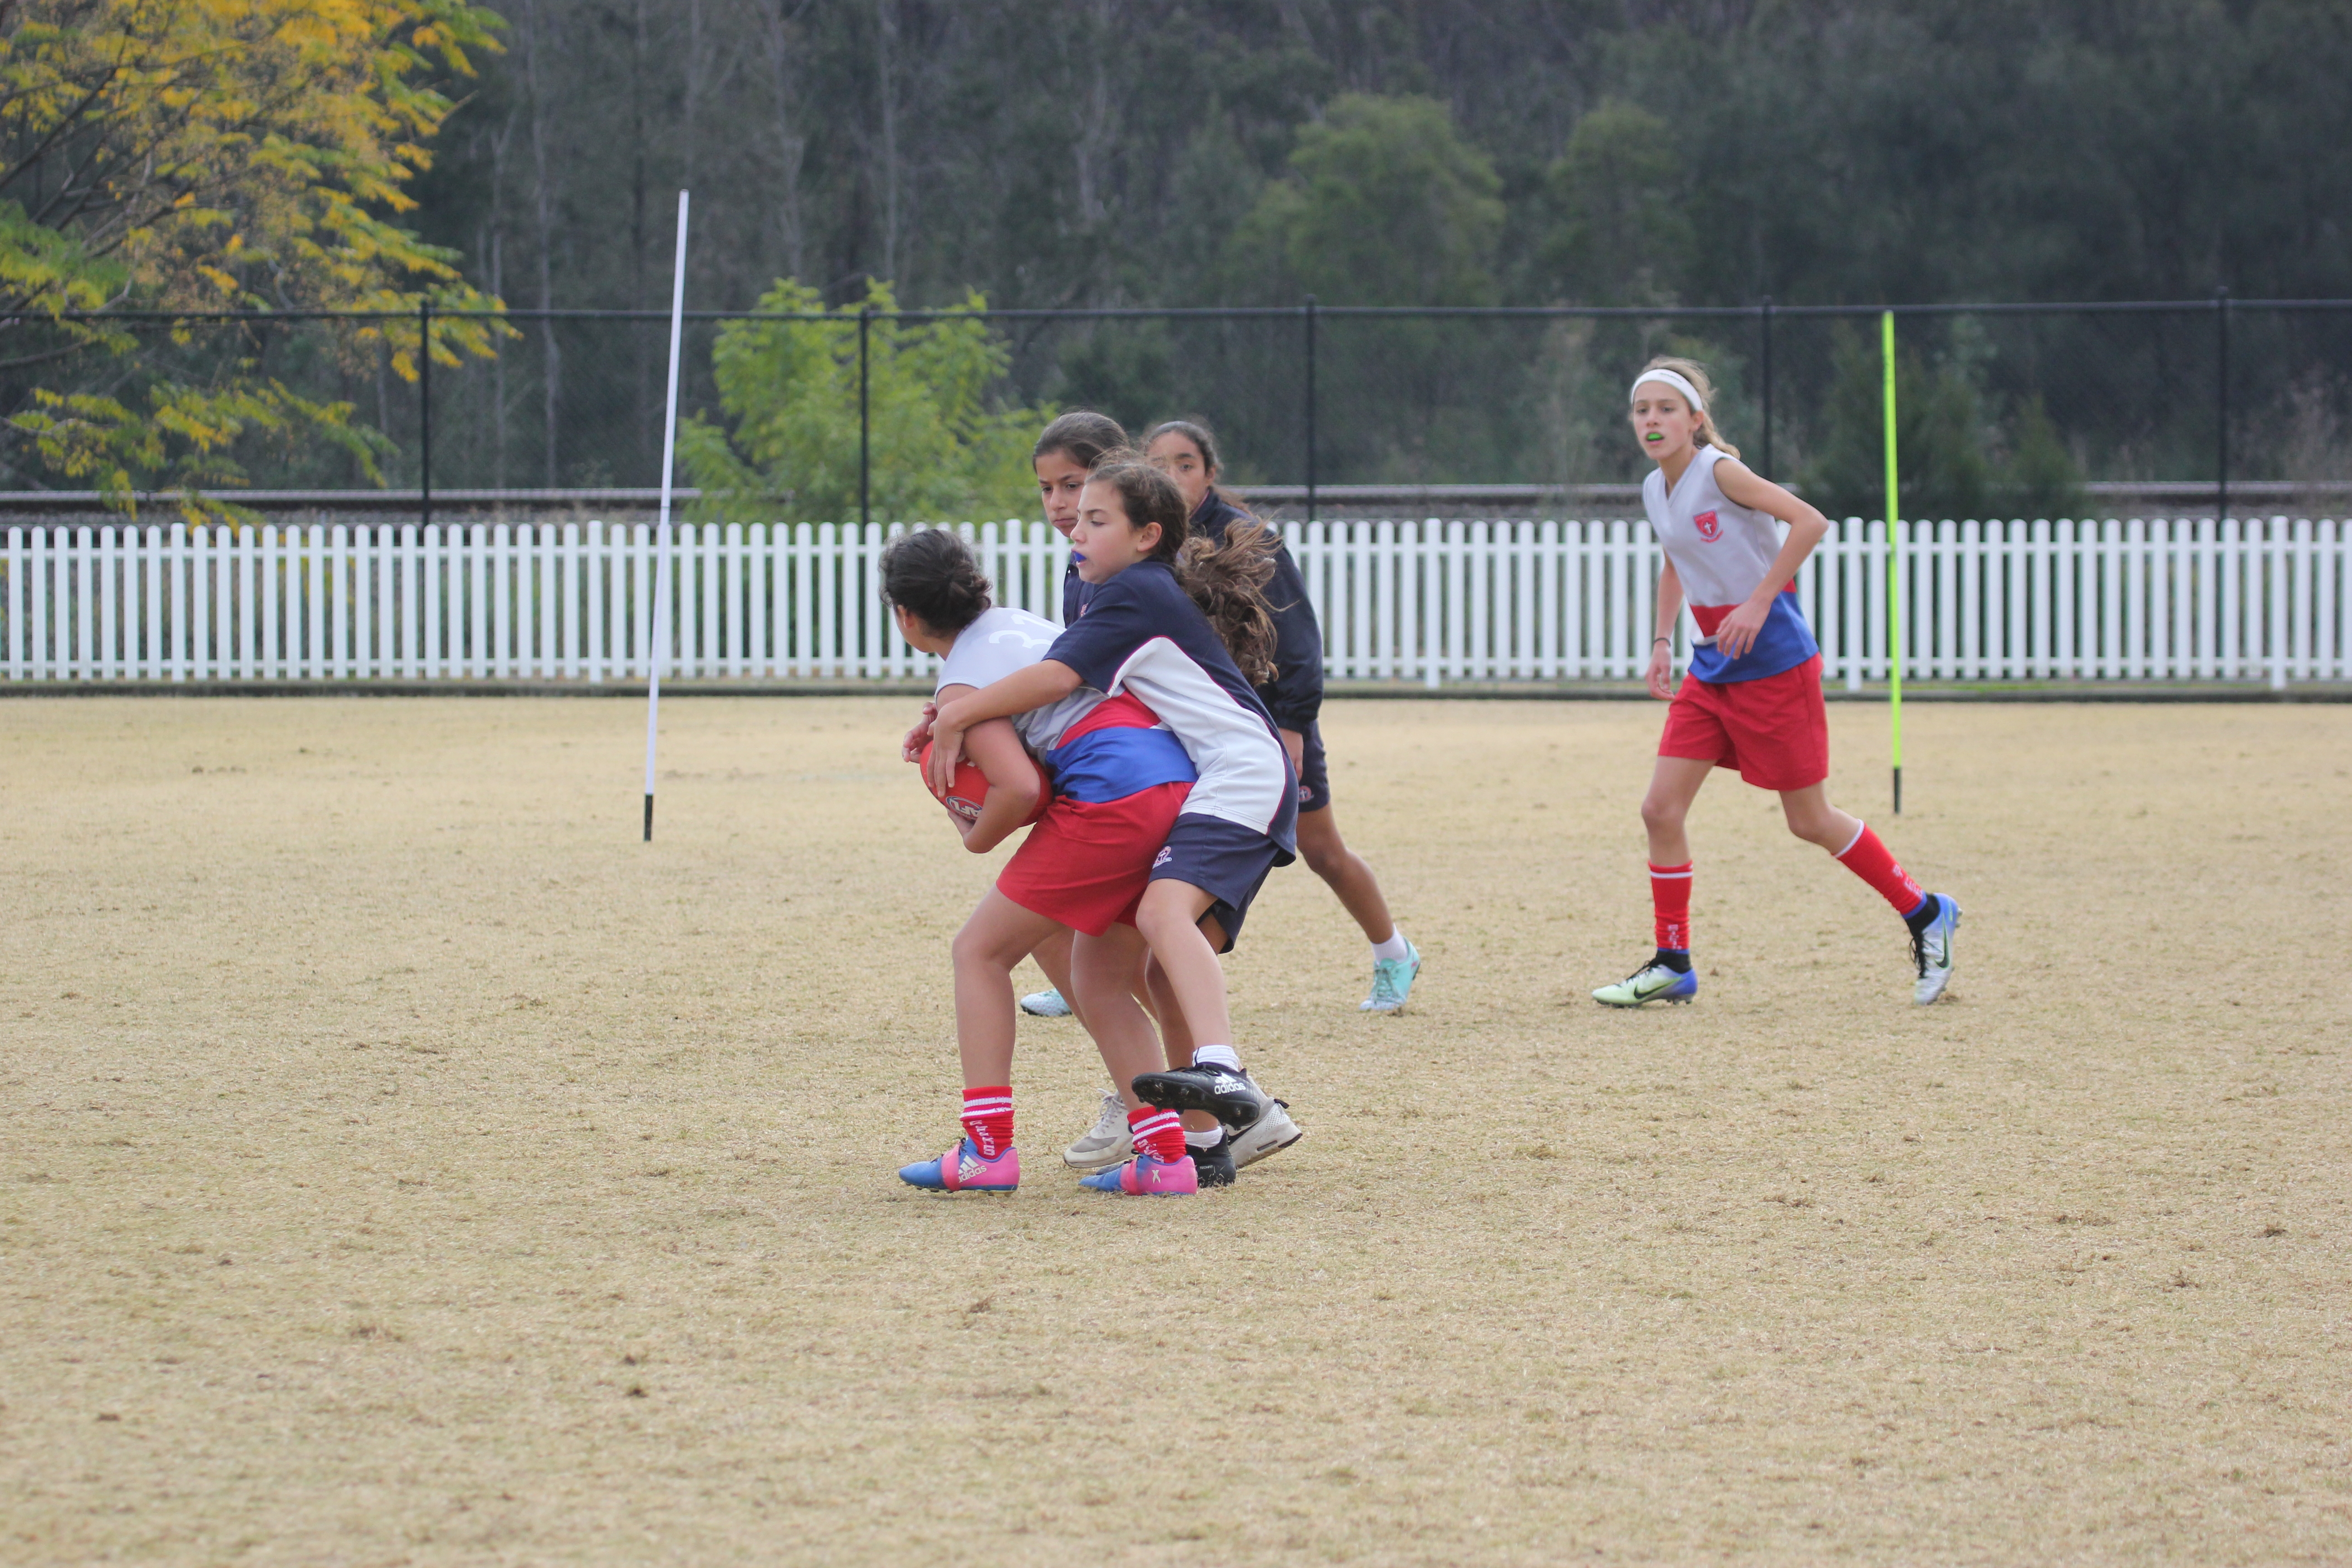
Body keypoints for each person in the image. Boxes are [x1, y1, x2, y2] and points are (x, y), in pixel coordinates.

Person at [928, 460, 1304, 1187]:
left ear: (1146, 537)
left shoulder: (1131, 591)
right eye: (1071, 510)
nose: (1075, 524)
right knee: (1116, 968)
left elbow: (1057, 679)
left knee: (1165, 917)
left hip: (1242, 774)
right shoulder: (1130, 591)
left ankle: (1226, 1077)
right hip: (1225, 777)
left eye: (1096, 518)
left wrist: (960, 709)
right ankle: (1192, 1150)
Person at [1593, 358, 1960, 1009]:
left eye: (1666, 409)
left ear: (1695, 421)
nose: (1651, 420)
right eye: (1641, 410)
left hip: (1776, 662)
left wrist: (1760, 601)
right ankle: (1674, 962)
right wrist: (1661, 641)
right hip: (1713, 663)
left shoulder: (1721, 472)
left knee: (1809, 819)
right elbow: (1676, 563)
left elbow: (1812, 521)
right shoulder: (1657, 488)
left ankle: (1926, 911)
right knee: (1660, 810)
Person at [881, 527, 1203, 1196]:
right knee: (1098, 978)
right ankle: (1167, 1158)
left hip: (1114, 794)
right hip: (1170, 779)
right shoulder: (1018, 625)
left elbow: (1024, 790)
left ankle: (987, 1150)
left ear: (906, 617)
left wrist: (972, 834)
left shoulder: (961, 680)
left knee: (979, 952)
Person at [1146, 419, 1421, 1014]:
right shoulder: (1146, 542)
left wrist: (1292, 726)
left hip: (1267, 724)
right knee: (1152, 841)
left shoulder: (1247, 538)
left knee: (1322, 852)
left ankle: (1393, 952)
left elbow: (1296, 640)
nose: (1173, 477)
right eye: (1160, 465)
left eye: (1185, 464)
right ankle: (1114, 968)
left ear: (1210, 473)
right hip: (1193, 726)